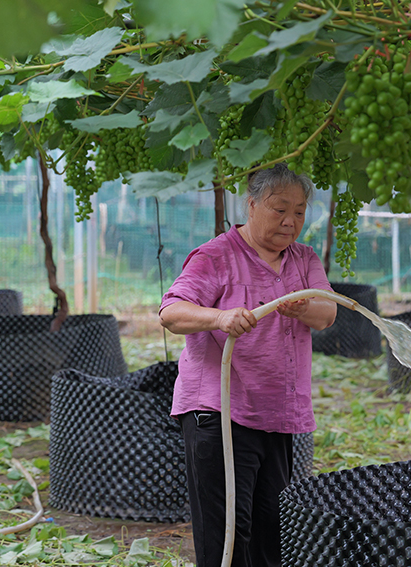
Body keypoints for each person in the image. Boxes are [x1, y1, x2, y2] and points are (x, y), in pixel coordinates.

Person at [159, 163, 337, 567]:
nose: (290, 221)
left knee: (271, 528)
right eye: (279, 209)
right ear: (252, 204)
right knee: (227, 533)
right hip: (220, 413)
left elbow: (328, 313)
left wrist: (305, 306)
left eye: (299, 210)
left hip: (276, 414)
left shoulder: (303, 259)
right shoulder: (216, 256)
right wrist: (218, 318)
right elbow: (172, 312)